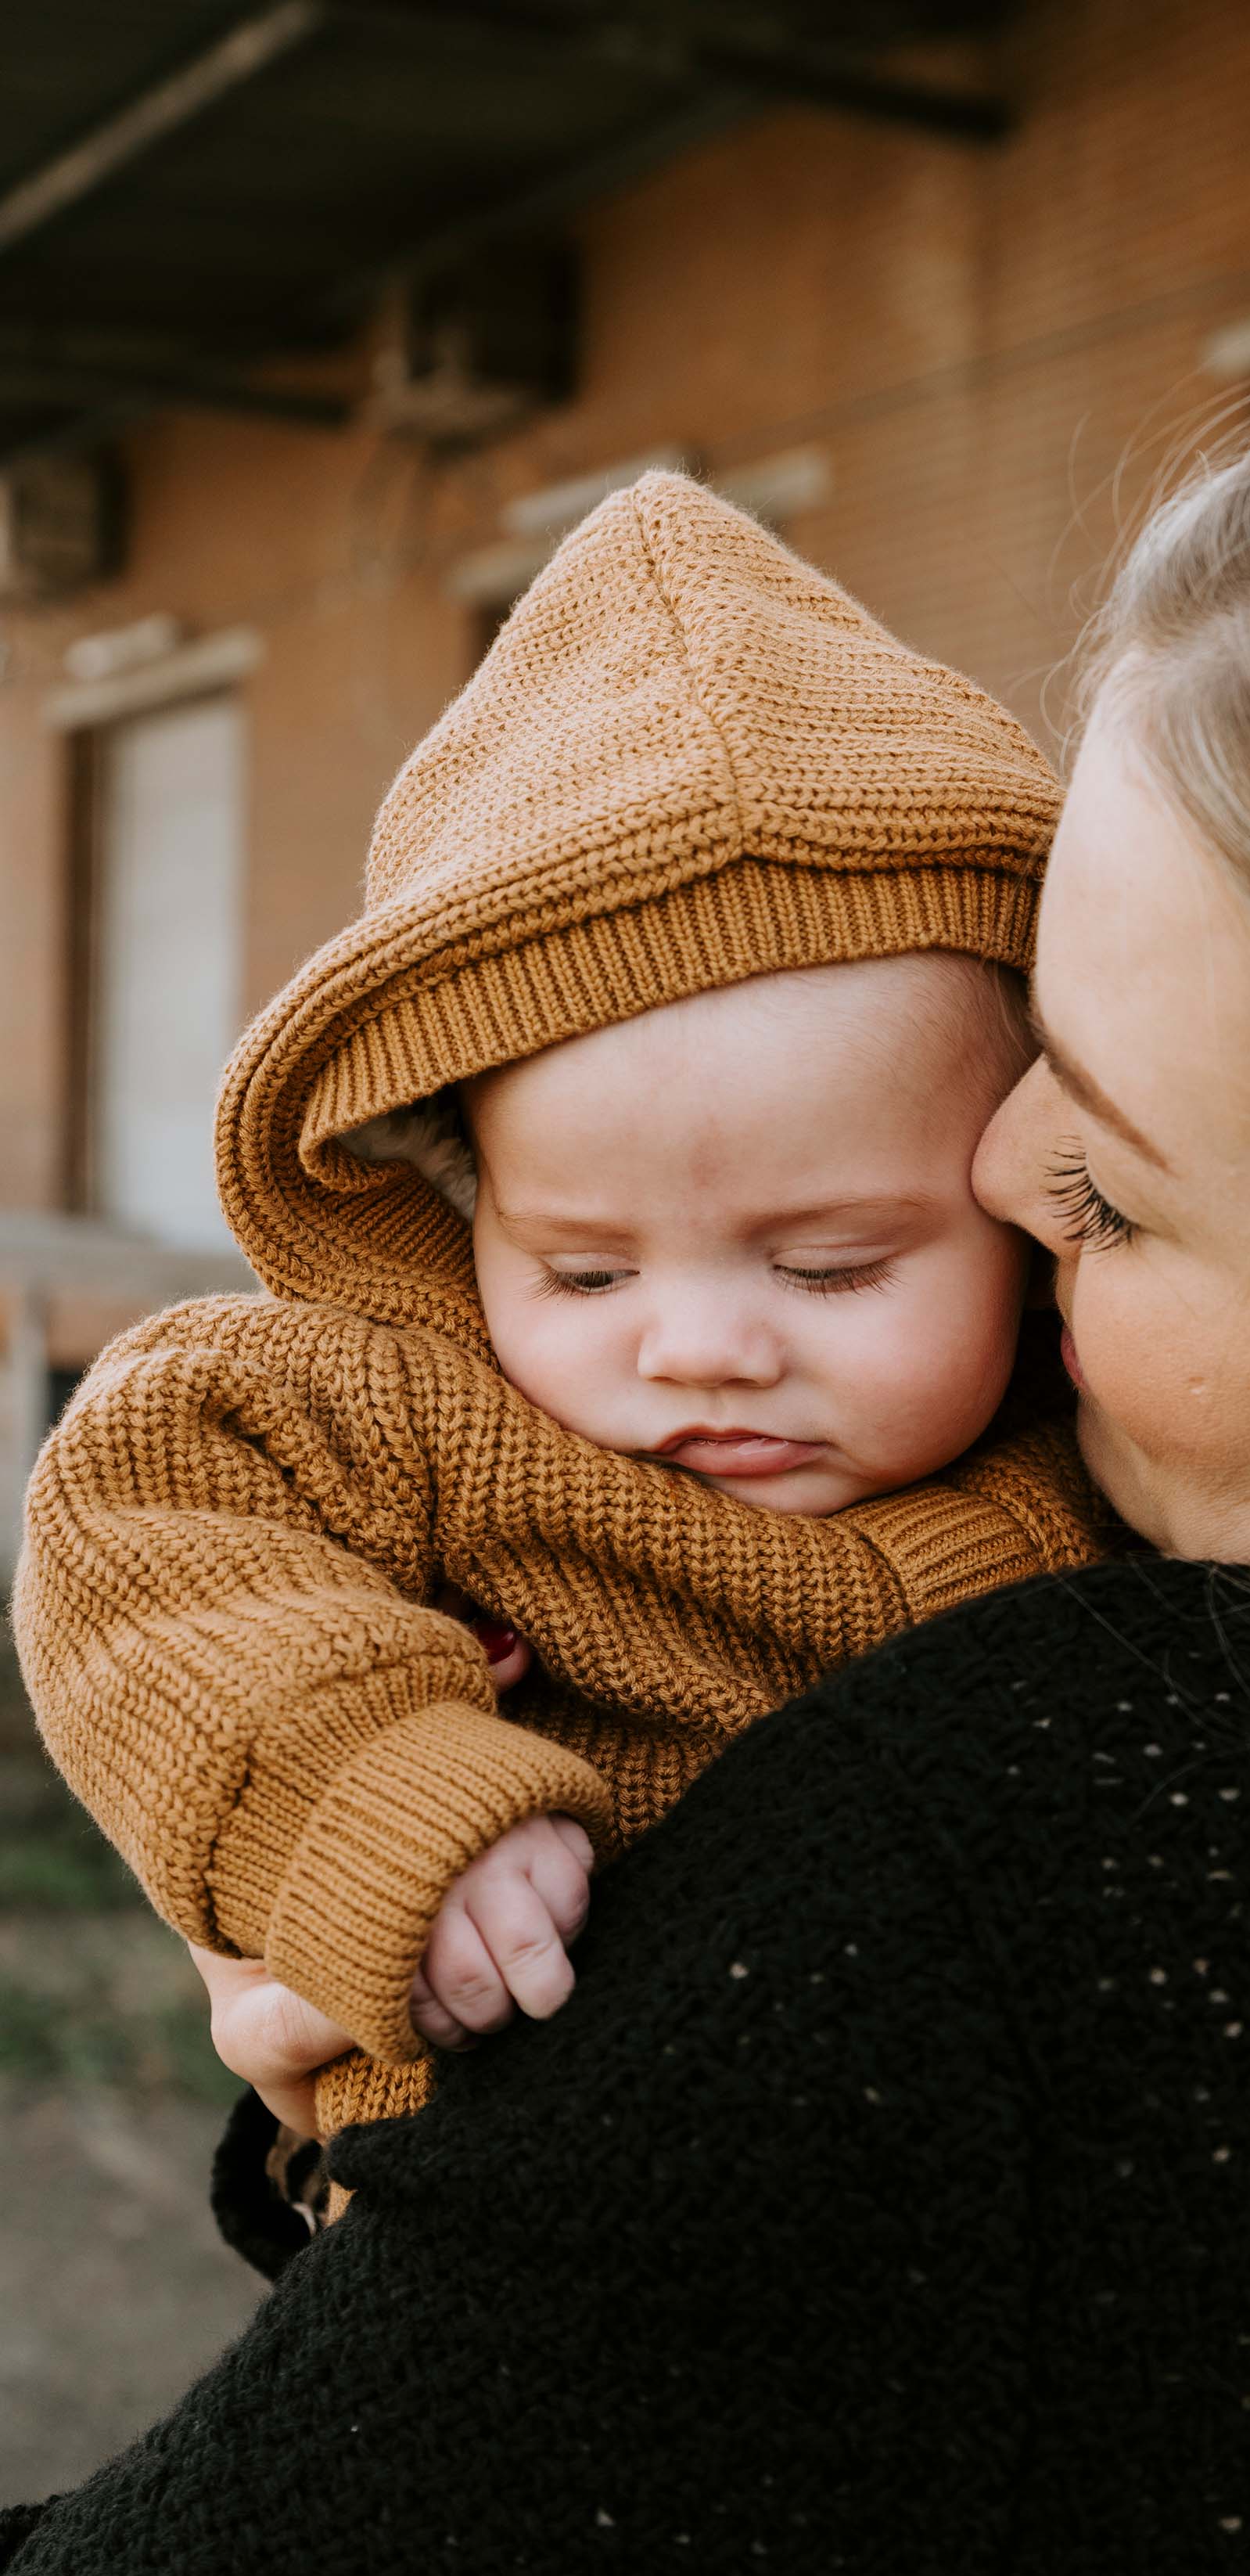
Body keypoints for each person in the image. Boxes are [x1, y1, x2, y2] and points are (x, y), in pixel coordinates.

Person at [0, 272, 1250, 2576]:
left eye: (1119, 1191)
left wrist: (522, 2150)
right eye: (1039, 1043)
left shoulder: (1012, 1850)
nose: (997, 1166)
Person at [11, 468, 1103, 2147]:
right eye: (584, 1271)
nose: (697, 1347)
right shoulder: (411, 1420)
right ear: (462, 1205)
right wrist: (372, 1797)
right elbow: (145, 1532)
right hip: (486, 2203)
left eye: (832, 1267)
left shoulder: (1120, 1469)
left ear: (1036, 1201)